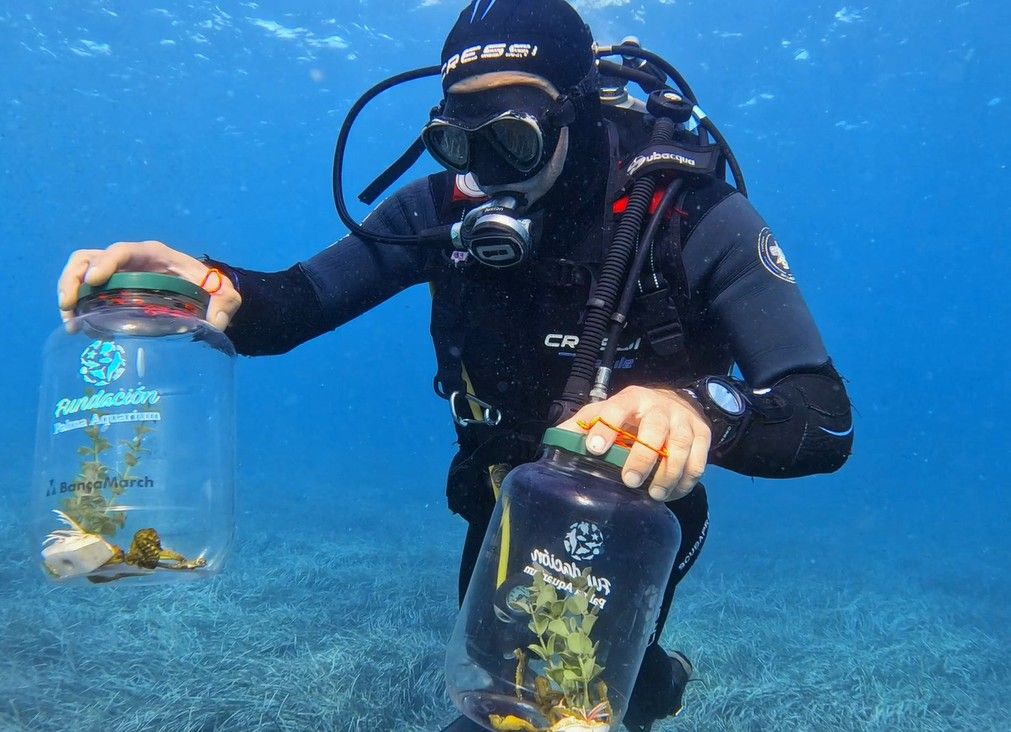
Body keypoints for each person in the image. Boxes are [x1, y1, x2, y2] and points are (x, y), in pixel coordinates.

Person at [57, 1, 853, 729]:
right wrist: (211, 285)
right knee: (510, 679)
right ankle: (651, 680)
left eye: (510, 139)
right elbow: (296, 305)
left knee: (548, 704)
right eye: (456, 143)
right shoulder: (440, 207)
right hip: (502, 486)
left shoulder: (689, 214)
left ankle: (642, 683)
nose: (484, 173)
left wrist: (700, 411)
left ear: (572, 111)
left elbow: (822, 416)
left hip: (636, 509)